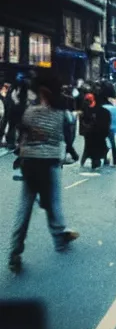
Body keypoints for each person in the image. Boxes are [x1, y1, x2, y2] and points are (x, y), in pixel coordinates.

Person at [8, 74, 80, 274]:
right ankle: (59, 238)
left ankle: (14, 252)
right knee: (53, 202)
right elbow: (69, 134)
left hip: (29, 163)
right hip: (50, 164)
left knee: (24, 209)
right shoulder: (61, 113)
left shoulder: (28, 113)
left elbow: (20, 136)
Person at [79, 93, 111, 170]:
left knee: (91, 149)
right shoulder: (102, 111)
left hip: (94, 134)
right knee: (95, 149)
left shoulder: (86, 110)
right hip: (93, 134)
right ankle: (99, 160)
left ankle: (93, 161)